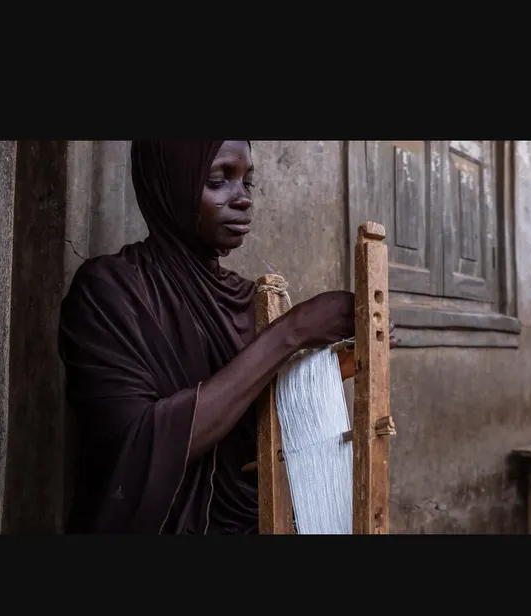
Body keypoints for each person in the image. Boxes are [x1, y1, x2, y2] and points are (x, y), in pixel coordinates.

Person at [58, 140, 393, 534]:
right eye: (219, 180)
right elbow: (134, 448)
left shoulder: (251, 299)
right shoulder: (110, 291)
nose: (243, 199)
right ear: (169, 185)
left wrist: (341, 361)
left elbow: (257, 412)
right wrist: (293, 331)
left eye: (247, 183)